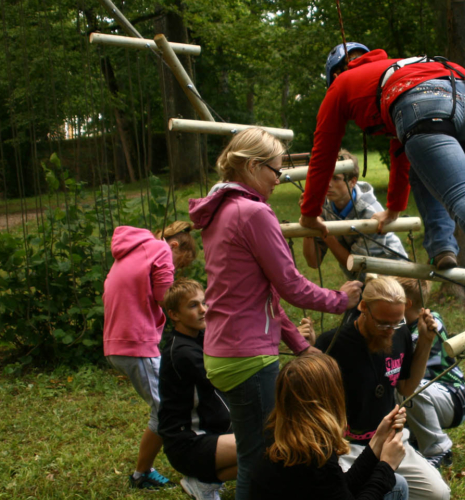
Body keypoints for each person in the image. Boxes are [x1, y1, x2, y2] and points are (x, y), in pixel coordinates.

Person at [298, 42, 465, 314]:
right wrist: (393, 209)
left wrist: (310, 213)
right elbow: (402, 150)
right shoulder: (393, 70)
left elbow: (324, 155)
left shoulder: (341, 85)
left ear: (334, 75)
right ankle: (442, 248)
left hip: (423, 103)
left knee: (462, 195)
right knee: (424, 165)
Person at [188, 127, 364, 500]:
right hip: (247, 356)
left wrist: (299, 345)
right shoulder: (251, 213)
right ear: (252, 166)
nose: (279, 179)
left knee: (256, 450)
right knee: (259, 457)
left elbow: (259, 296)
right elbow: (290, 285)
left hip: (225, 349)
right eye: (276, 170)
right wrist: (340, 300)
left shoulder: (220, 209)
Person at [315, 276, 451, 500]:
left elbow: (406, 387)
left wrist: (425, 341)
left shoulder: (401, 333)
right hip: (347, 447)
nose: (389, 330)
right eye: (382, 323)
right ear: (363, 307)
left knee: (439, 495)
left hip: (391, 441)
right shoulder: (333, 344)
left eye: (396, 322)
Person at [103, 220, 196, 489]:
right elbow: (165, 297)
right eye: (179, 264)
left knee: (166, 408)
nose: (175, 269)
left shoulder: (135, 248)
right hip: (134, 342)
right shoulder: (161, 249)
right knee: (168, 409)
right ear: (175, 245)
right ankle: (150, 473)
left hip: (120, 341)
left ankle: (144, 471)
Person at [250, 354, 410, 500]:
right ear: (329, 399)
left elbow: (340, 489)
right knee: (397, 487)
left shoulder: (289, 441)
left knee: (398, 484)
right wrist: (387, 466)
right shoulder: (314, 457)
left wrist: (378, 440)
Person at [157, 278, 235, 500]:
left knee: (261, 447)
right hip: (188, 443)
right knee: (259, 447)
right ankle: (204, 482)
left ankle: (204, 481)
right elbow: (227, 377)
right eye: (193, 305)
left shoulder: (198, 336)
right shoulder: (182, 352)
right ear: (174, 315)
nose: (203, 310)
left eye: (204, 303)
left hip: (212, 434)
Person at [392, 276, 465, 469]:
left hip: (453, 398)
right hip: (434, 396)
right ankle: (415, 439)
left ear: (407, 303)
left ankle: (439, 450)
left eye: (390, 299)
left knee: (406, 388)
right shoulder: (402, 326)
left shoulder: (428, 324)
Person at [303, 149, 408, 280]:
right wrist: (308, 218)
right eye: (326, 177)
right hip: (366, 280)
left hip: (396, 278)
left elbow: (355, 265)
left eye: (335, 178)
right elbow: (313, 262)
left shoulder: (370, 213)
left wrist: (325, 233)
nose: (328, 184)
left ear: (352, 181)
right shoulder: (324, 205)